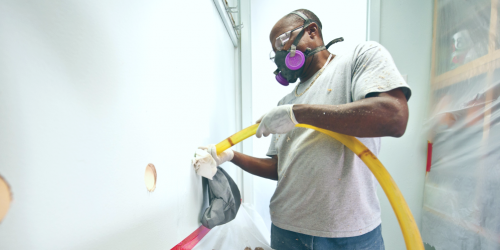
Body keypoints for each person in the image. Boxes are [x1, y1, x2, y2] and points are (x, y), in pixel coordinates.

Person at [197, 9, 411, 250]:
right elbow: (280, 169)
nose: (279, 53)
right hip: (286, 231)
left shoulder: (358, 60)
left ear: (312, 32)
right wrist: (231, 156)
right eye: (274, 50)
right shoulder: (284, 103)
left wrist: (297, 114)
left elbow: (394, 116)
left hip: (350, 234)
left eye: (281, 41)